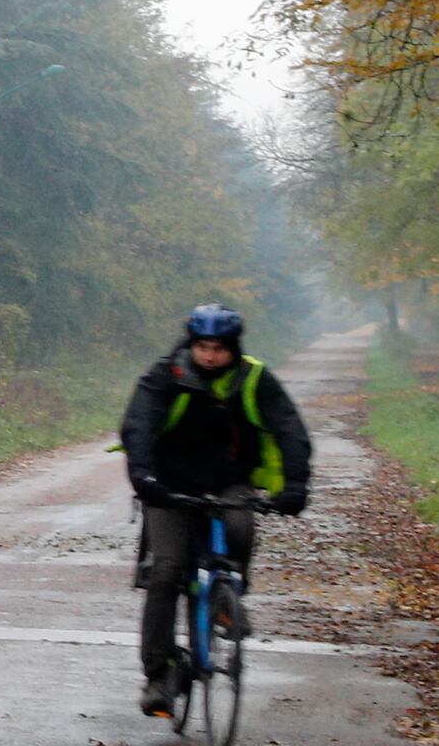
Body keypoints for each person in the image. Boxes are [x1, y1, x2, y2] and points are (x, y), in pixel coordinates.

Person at [120, 305, 312, 717]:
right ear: (192, 345)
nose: (210, 356)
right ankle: (159, 676)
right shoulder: (166, 375)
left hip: (228, 481)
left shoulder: (253, 378)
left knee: (240, 527)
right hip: (169, 485)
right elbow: (139, 425)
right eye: (203, 347)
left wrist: (296, 485)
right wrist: (144, 477)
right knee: (167, 571)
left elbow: (290, 429)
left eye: (219, 349)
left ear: (234, 349)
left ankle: (227, 597)